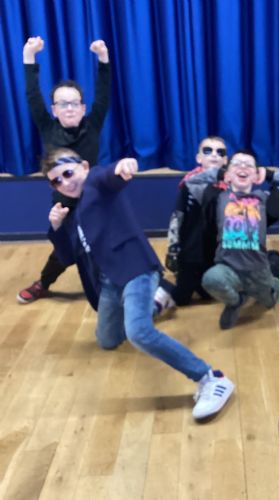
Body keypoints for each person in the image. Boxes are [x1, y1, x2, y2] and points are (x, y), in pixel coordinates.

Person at [43, 148, 234, 420]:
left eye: (68, 173)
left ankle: (210, 378)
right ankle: (158, 302)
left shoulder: (96, 182)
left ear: (84, 166)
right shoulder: (71, 215)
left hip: (136, 270)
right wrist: (57, 227)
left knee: (139, 332)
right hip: (109, 284)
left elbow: (110, 176)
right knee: (108, 340)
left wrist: (122, 166)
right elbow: (66, 257)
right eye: (56, 181)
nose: (65, 182)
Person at [17, 36, 111, 304]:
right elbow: (32, 95)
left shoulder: (92, 124)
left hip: (95, 198)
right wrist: (29, 57)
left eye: (74, 103)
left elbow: (103, 92)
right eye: (62, 104)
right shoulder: (48, 128)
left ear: (83, 107)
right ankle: (44, 282)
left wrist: (103, 58)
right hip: (65, 202)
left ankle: (118, 283)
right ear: (54, 110)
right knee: (64, 248)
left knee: (106, 241)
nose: (69, 108)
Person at [186, 150, 279, 329]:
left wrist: (269, 174)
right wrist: (219, 173)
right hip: (228, 266)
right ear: (228, 174)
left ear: (255, 176)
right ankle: (236, 302)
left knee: (268, 303)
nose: (243, 167)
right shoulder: (217, 197)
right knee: (210, 279)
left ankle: (274, 276)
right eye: (237, 164)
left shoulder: (263, 198)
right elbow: (191, 182)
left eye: (249, 165)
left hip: (258, 270)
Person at [155, 136, 230, 312]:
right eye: (208, 151)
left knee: (209, 294)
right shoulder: (190, 183)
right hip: (191, 253)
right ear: (199, 158)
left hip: (215, 253)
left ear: (225, 160)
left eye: (220, 152)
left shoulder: (230, 186)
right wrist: (173, 250)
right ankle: (153, 282)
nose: (214, 155)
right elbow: (177, 219)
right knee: (181, 298)